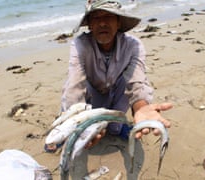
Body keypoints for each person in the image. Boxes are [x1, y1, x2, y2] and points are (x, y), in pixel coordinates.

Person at [59, 0, 172, 148]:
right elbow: (75, 86)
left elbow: (137, 82)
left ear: (119, 22)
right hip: (91, 94)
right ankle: (64, 126)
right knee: (77, 125)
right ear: (90, 25)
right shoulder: (80, 45)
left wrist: (141, 108)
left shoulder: (133, 45)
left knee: (114, 128)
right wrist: (74, 122)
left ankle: (116, 127)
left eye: (109, 16)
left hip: (117, 92)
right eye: (96, 18)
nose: (102, 23)